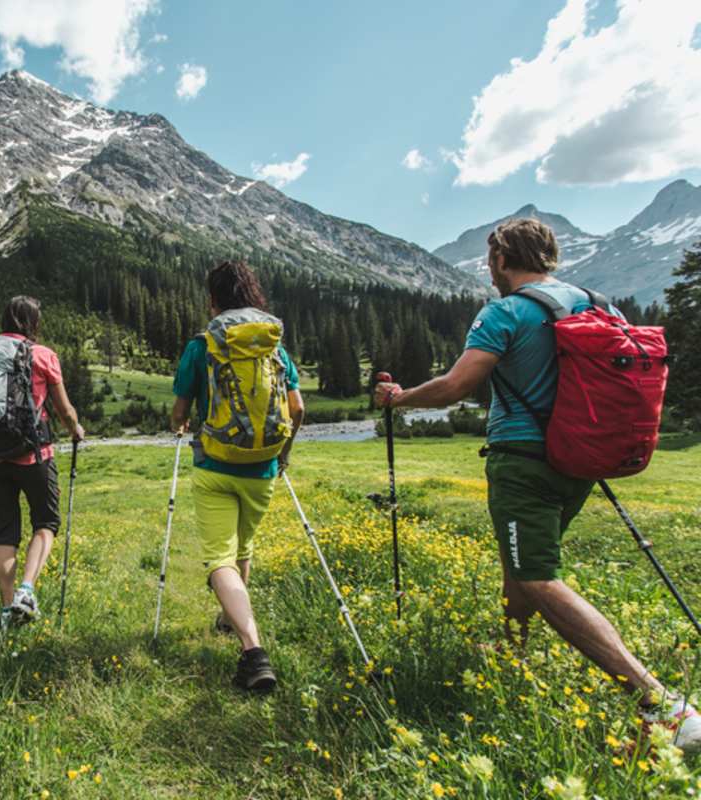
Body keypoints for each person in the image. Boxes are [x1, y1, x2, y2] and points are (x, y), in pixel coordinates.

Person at [374, 218, 701, 748]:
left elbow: (458, 385)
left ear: (503, 259)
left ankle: (662, 704)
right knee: (520, 562)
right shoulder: (598, 305)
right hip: (581, 458)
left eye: (491, 261)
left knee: (536, 576)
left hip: (524, 461)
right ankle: (510, 653)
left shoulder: (503, 311)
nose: (489, 271)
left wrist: (401, 398)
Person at [170, 260, 305, 693]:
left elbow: (179, 411)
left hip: (214, 465)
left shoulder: (202, 345)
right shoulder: (272, 346)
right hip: (262, 466)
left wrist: (181, 424)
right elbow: (298, 408)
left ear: (213, 299)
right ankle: (232, 621)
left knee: (219, 560)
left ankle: (252, 650)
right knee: (243, 548)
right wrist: (282, 454)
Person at [0, 296, 85, 631]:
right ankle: (26, 591)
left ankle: (8, 612)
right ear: (34, 322)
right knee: (46, 523)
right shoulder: (43, 355)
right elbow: (63, 409)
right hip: (34, 454)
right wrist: (75, 428)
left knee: (5, 533)